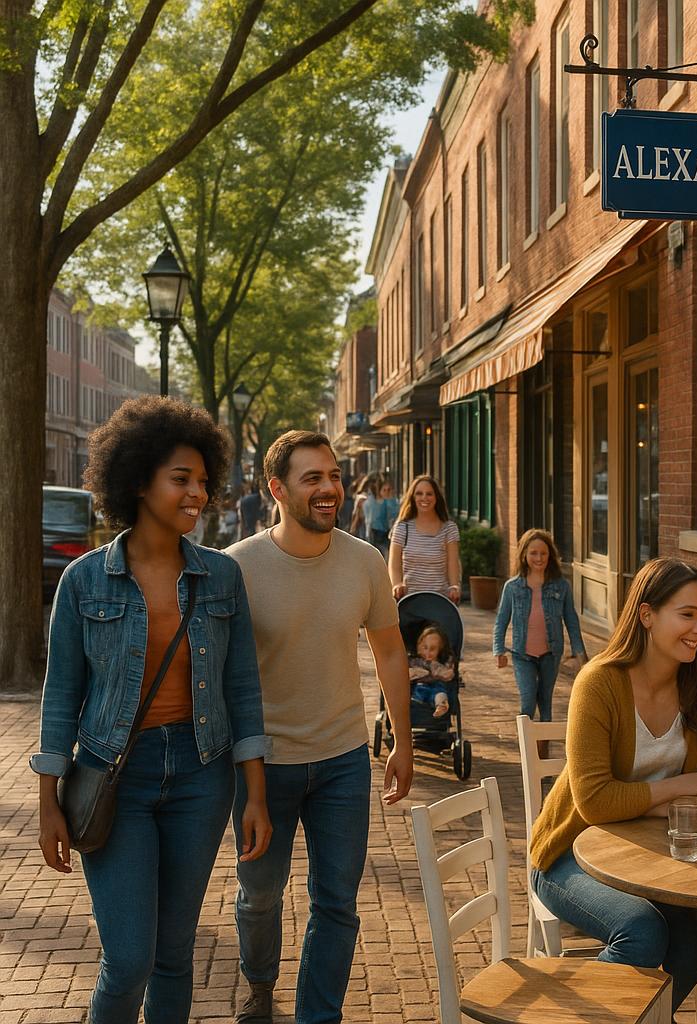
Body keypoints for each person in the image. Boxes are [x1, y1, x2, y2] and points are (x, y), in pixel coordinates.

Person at [32, 395, 271, 1024]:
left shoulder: (221, 578)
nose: (198, 494)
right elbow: (60, 695)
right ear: (139, 482)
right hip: (116, 775)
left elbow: (242, 688)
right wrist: (48, 802)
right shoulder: (84, 582)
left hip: (201, 775)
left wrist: (254, 793)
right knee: (130, 958)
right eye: (181, 480)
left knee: (173, 956)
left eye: (203, 481)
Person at [226, 430, 413, 1024]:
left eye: (333, 475)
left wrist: (402, 743)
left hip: (342, 759)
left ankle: (317, 1016)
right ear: (277, 490)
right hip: (263, 766)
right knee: (260, 895)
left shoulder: (365, 560)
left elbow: (389, 652)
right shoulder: (239, 567)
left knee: (336, 902)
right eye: (313, 478)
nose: (330, 488)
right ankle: (259, 985)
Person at [529, 558, 697, 1014]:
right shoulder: (599, 682)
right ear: (647, 615)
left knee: (696, 942)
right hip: (568, 855)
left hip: (652, 855)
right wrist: (689, 786)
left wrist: (651, 807)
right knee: (642, 929)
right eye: (687, 614)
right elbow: (594, 803)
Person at [493, 528, 588, 723]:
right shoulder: (512, 587)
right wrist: (499, 650)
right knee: (527, 703)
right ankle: (526, 749)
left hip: (550, 654)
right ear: (524, 555)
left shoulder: (561, 586)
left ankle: (542, 750)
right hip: (522, 655)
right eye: (533, 553)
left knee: (545, 703)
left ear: (550, 555)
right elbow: (501, 620)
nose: (539, 558)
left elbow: (571, 621)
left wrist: (580, 654)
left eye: (543, 553)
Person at [388, 474, 461, 604]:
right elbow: (394, 564)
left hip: (440, 600)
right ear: (413, 497)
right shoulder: (402, 528)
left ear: (436, 497)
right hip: (409, 601)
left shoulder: (449, 529)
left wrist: (454, 586)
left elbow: (453, 563)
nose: (424, 498)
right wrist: (397, 584)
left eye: (429, 494)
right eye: (419, 494)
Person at [409, 625, 455, 718]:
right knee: (418, 692)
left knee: (440, 693)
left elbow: (448, 674)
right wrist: (415, 672)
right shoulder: (414, 661)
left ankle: (441, 706)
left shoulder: (442, 662)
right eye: (425, 647)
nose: (428, 652)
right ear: (419, 647)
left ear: (440, 649)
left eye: (433, 649)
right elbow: (407, 673)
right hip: (419, 685)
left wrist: (446, 673)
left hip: (437, 685)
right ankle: (413, 707)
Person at [369, 479, 399, 557]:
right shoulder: (377, 503)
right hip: (379, 533)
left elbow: (396, 514)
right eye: (384, 490)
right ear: (380, 492)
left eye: (389, 490)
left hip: (391, 532)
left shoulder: (395, 502)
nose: (387, 492)